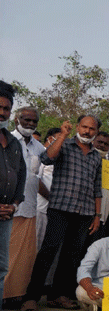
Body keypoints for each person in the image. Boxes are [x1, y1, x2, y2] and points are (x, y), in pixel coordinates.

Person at [23, 116, 103, 311]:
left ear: (96, 132)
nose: (87, 131)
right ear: (77, 127)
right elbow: (47, 158)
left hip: (84, 212)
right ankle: (32, 297)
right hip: (60, 208)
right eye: (84, 127)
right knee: (48, 252)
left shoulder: (96, 156)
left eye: (91, 129)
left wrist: (97, 215)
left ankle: (58, 296)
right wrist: (62, 135)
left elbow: (97, 188)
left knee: (71, 256)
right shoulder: (64, 145)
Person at [4, 107, 46, 306]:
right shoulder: (6, 140)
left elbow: (36, 179)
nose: (30, 124)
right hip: (8, 208)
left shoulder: (39, 148)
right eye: (26, 120)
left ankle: (15, 295)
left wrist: (53, 198)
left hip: (30, 208)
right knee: (5, 255)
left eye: (34, 121)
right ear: (16, 119)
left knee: (24, 258)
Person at [0, 82, 27, 311]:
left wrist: (14, 205)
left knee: (0, 269)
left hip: (6, 217)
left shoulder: (14, 143)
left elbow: (21, 179)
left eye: (6, 108)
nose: (2, 112)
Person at [35, 127, 61, 249]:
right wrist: (51, 198)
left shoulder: (59, 157)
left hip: (53, 209)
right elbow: (36, 180)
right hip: (41, 206)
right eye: (59, 139)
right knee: (35, 242)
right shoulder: (42, 154)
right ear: (50, 139)